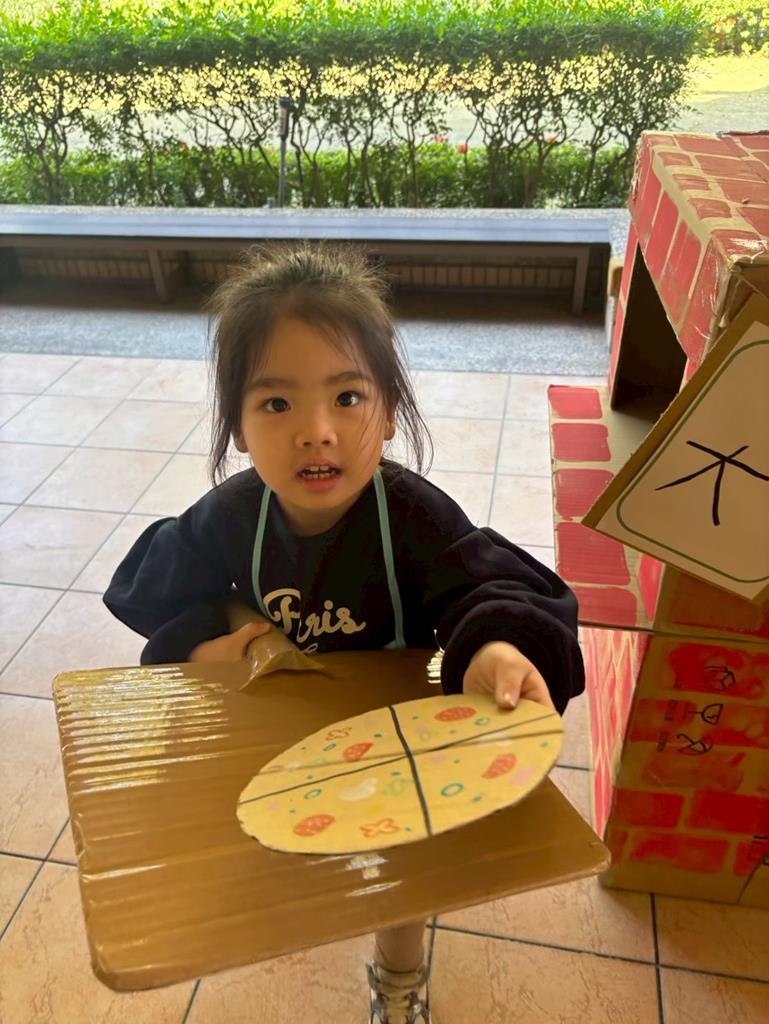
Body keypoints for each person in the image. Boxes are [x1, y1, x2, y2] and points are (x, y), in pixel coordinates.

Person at [104, 243, 584, 1024]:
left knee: (402, 877)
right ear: (236, 426)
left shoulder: (415, 515)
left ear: (389, 413)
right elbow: (157, 586)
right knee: (281, 851)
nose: (316, 432)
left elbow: (486, 587)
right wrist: (213, 640)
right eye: (276, 403)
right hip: (286, 731)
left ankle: (398, 974)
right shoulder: (228, 516)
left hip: (393, 739)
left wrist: (495, 647)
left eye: (348, 397)